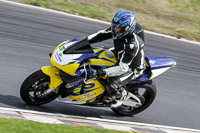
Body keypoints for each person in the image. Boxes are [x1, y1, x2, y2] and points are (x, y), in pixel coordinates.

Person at [87, 10, 145, 108]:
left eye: (118, 28)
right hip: (119, 54)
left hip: (132, 68)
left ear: (127, 28)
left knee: (111, 84)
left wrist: (101, 72)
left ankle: (120, 96)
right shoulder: (118, 29)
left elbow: (123, 68)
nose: (115, 29)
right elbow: (101, 34)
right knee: (96, 55)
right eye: (114, 26)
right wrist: (84, 40)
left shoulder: (131, 44)